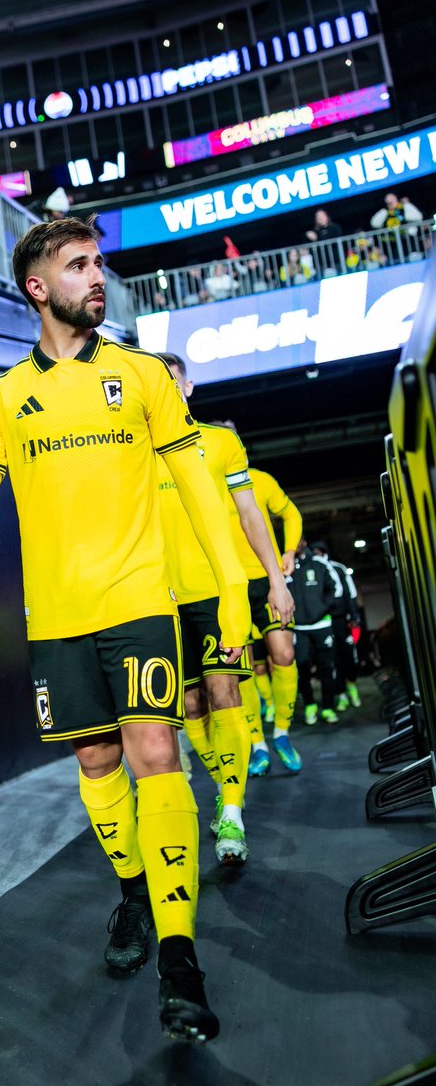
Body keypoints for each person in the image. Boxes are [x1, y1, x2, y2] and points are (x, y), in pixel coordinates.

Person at [0, 216, 251, 1044]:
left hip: (141, 601)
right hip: (59, 619)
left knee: (157, 749)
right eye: (79, 265)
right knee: (97, 757)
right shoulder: (2, 397)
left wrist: (232, 588)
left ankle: (181, 959)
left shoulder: (144, 375)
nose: (97, 276)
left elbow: (198, 485)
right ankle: (137, 893)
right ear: (39, 287)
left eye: (98, 262)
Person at [158, 365, 295, 866]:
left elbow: (251, 514)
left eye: (174, 380)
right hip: (158, 600)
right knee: (190, 706)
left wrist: (276, 579)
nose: (168, 389)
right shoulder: (131, 447)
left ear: (188, 387)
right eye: (159, 381)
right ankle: (224, 786)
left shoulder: (218, 442)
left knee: (225, 691)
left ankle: (233, 810)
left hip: (216, 593)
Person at [226, 464, 303, 775]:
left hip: (266, 581)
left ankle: (282, 734)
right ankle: (257, 745)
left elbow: (292, 514)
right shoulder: (201, 482)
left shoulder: (259, 480)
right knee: (243, 668)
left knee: (284, 654)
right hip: (228, 586)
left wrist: (289, 552)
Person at [287, 539, 340, 725]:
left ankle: (327, 707)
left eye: (296, 539)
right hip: (298, 628)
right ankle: (310, 705)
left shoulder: (319, 563)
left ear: (303, 541)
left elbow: (336, 589)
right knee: (301, 667)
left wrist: (322, 609)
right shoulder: (285, 565)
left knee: (326, 667)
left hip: (321, 625)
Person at [310, 543, 361, 711]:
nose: (315, 555)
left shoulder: (338, 568)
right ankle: (341, 695)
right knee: (332, 660)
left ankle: (351, 685)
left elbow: (350, 593)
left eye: (318, 552)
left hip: (341, 620)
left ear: (324, 552)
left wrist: (353, 616)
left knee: (348, 656)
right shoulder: (313, 571)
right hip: (325, 621)